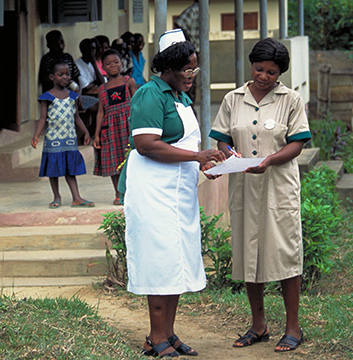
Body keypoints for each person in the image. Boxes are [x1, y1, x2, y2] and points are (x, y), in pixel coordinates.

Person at [118, 29, 226, 358]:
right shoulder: (150, 94)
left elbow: (184, 145)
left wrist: (207, 163)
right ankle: (155, 336)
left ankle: (169, 333)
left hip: (178, 191)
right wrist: (196, 157)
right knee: (159, 260)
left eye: (195, 70)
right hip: (152, 190)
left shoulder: (180, 96)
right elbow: (146, 145)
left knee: (178, 260)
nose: (192, 76)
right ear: (168, 68)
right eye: (187, 70)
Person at [207, 38, 311, 352]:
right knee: (248, 253)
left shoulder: (290, 100)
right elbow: (222, 139)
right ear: (251, 65)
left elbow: (297, 143)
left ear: (280, 73)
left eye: (271, 71)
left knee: (283, 253)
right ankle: (258, 325)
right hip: (244, 186)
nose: (263, 76)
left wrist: (268, 161)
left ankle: (293, 327)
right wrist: (229, 154)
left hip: (278, 186)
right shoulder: (232, 99)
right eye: (258, 68)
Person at [31, 59, 95, 209]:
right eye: (61, 74)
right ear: (52, 77)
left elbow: (76, 117)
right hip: (53, 139)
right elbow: (42, 119)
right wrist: (36, 135)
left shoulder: (73, 96)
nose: (65, 77)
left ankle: (76, 197)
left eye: (67, 74)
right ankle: (56, 196)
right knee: (53, 170)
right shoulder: (47, 97)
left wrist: (85, 132)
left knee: (70, 169)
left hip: (69, 139)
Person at [93, 49, 137, 206]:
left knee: (131, 158)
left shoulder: (128, 81)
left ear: (122, 63)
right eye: (108, 63)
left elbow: (137, 103)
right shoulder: (102, 89)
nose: (113, 65)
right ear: (103, 67)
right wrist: (96, 135)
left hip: (128, 126)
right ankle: (118, 193)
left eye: (116, 62)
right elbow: (100, 112)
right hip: (110, 129)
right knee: (114, 159)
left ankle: (132, 191)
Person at [74, 38, 104, 140]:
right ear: (82, 50)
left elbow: (102, 83)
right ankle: (89, 134)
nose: (92, 52)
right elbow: (85, 87)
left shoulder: (92, 64)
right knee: (102, 108)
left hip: (94, 95)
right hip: (82, 97)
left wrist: (94, 64)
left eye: (94, 49)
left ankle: (92, 134)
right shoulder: (77, 64)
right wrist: (94, 83)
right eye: (89, 49)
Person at [174, 0, 200, 103]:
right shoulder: (193, 10)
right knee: (188, 80)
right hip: (191, 50)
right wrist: (188, 42)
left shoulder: (201, 11)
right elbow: (179, 23)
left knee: (192, 80)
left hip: (196, 50)